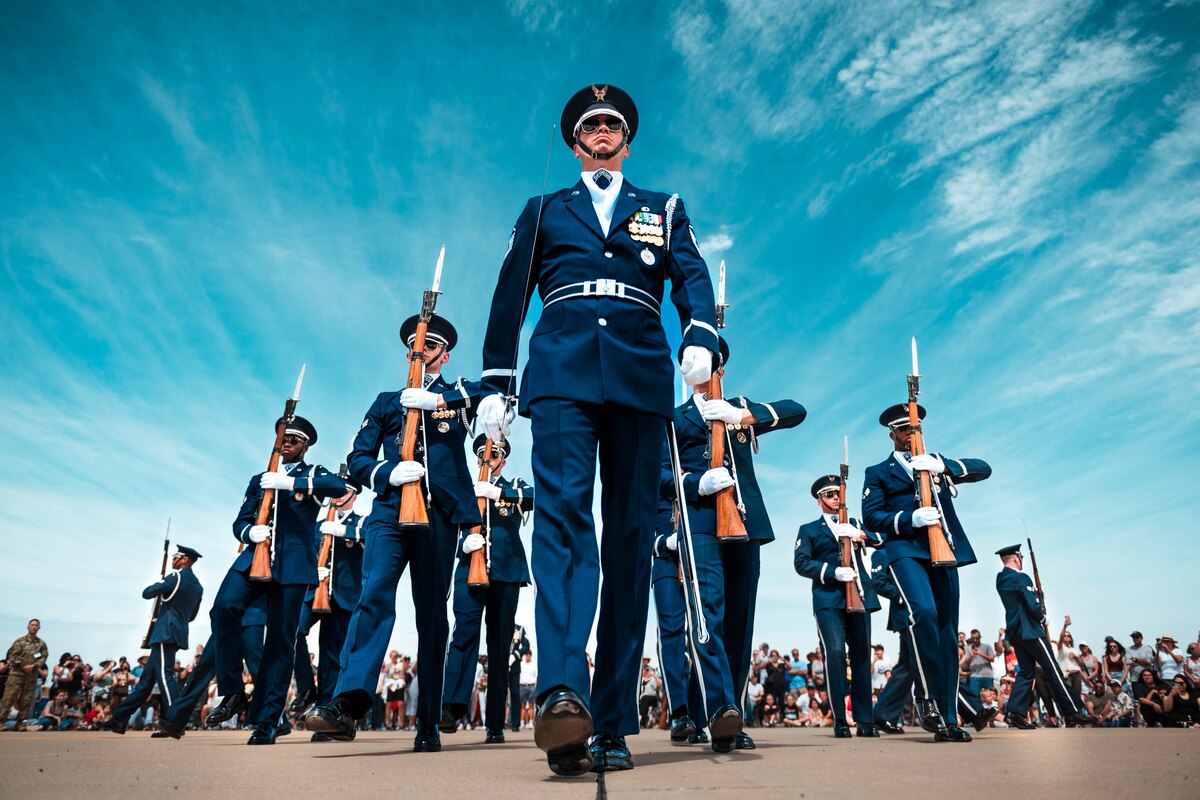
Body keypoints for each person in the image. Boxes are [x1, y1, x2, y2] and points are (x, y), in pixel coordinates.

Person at [475, 83, 720, 776]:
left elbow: (692, 277)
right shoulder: (544, 209)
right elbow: (509, 291)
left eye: (613, 123)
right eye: (592, 124)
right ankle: (560, 694)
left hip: (641, 373)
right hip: (560, 370)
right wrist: (497, 375)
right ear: (575, 141)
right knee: (560, 522)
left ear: (627, 138)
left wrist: (702, 332)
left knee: (631, 540)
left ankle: (610, 719)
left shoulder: (662, 207)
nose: (604, 131)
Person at [306, 314, 482, 753]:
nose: (419, 355)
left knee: (431, 615)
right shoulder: (387, 401)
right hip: (388, 510)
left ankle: (429, 722)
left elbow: (495, 397)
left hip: (438, 514)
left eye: (428, 348)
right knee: (375, 593)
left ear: (444, 353)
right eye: (415, 349)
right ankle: (347, 702)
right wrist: (387, 471)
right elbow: (358, 457)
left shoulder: (458, 396)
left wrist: (442, 401)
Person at [664, 336, 807, 752]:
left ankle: (725, 713)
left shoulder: (738, 406)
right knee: (709, 617)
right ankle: (718, 710)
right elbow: (659, 477)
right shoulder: (674, 419)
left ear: (720, 369)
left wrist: (741, 415)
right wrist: (695, 482)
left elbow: (796, 411)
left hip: (744, 523)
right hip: (701, 521)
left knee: (740, 623)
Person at [207, 415, 347, 745]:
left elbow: (338, 488)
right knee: (223, 609)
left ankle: (267, 721)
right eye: (283, 439)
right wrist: (248, 531)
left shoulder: (313, 474)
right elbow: (240, 521)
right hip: (254, 559)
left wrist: (293, 485)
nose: (286, 444)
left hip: (293, 564)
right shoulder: (261, 478)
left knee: (280, 642)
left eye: (293, 440)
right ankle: (233, 692)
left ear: (305, 446)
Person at [861, 402, 991, 742]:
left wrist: (943, 465)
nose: (910, 434)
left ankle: (950, 719)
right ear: (891, 433)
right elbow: (872, 517)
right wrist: (908, 519)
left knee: (948, 632)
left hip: (943, 550)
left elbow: (983, 468)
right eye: (904, 429)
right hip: (905, 550)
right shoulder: (877, 472)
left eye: (915, 428)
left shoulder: (934, 462)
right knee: (924, 614)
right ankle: (926, 699)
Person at [441, 435, 534, 744]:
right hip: (469, 569)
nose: (487, 459)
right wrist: (461, 545)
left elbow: (536, 496)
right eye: (483, 455)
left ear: (502, 461)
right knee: (463, 634)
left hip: (505, 574)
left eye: (493, 456)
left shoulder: (514, 485)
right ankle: (451, 708)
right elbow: (444, 528)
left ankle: (495, 722)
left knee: (499, 646)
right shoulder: (462, 488)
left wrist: (499, 493)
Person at [794, 474, 882, 738]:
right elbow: (802, 563)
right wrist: (832, 571)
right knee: (834, 654)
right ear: (820, 500)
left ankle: (866, 720)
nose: (835, 498)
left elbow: (881, 537)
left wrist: (859, 533)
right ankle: (840, 719)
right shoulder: (808, 529)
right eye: (830, 494)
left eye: (838, 493)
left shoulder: (854, 523)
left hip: (859, 597)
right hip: (828, 600)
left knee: (861, 658)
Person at [289, 488, 366, 740]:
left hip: (344, 597)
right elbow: (302, 553)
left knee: (331, 658)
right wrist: (314, 570)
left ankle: (324, 717)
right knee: (292, 632)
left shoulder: (360, 522)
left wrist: (344, 532)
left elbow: (373, 538)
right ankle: (306, 689)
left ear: (353, 496)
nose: (337, 496)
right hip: (313, 592)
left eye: (343, 492)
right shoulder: (318, 525)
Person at [104, 546, 203, 735]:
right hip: (176, 631)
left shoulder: (175, 578)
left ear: (184, 560)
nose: (173, 560)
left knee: (165, 677)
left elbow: (147, 592)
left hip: (165, 632)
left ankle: (175, 720)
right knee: (146, 682)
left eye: (176, 557)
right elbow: (192, 615)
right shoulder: (197, 585)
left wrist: (161, 580)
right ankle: (120, 718)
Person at [994, 544, 1091, 729]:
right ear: (1016, 558)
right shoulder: (1021, 577)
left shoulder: (1001, 579)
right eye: (1021, 557)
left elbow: (1019, 600)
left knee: (1027, 672)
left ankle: (1014, 712)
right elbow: (1032, 605)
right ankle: (1072, 712)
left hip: (1015, 632)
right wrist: (1043, 616)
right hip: (1031, 630)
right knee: (1052, 669)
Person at [650, 496, 705, 743]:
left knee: (703, 635)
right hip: (666, 565)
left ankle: (700, 715)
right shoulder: (654, 489)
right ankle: (679, 712)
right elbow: (639, 537)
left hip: (699, 564)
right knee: (671, 632)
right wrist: (666, 543)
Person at [1, 619, 47, 730]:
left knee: (26, 700)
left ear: (39, 628)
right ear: (28, 627)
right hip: (17, 674)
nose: (34, 627)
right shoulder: (20, 641)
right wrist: (23, 666)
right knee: (9, 698)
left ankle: (20, 723)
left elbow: (43, 657)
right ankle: (1, 721)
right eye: (32, 625)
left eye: (36, 625)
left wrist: (33, 666)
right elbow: (12, 656)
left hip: (31, 676)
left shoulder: (40, 644)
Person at [507, 626, 530, 732]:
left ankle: (515, 724)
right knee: (499, 695)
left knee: (515, 695)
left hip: (514, 667)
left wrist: (516, 655)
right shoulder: (499, 624)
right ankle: (496, 724)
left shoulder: (519, 629)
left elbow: (526, 646)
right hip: (501, 666)